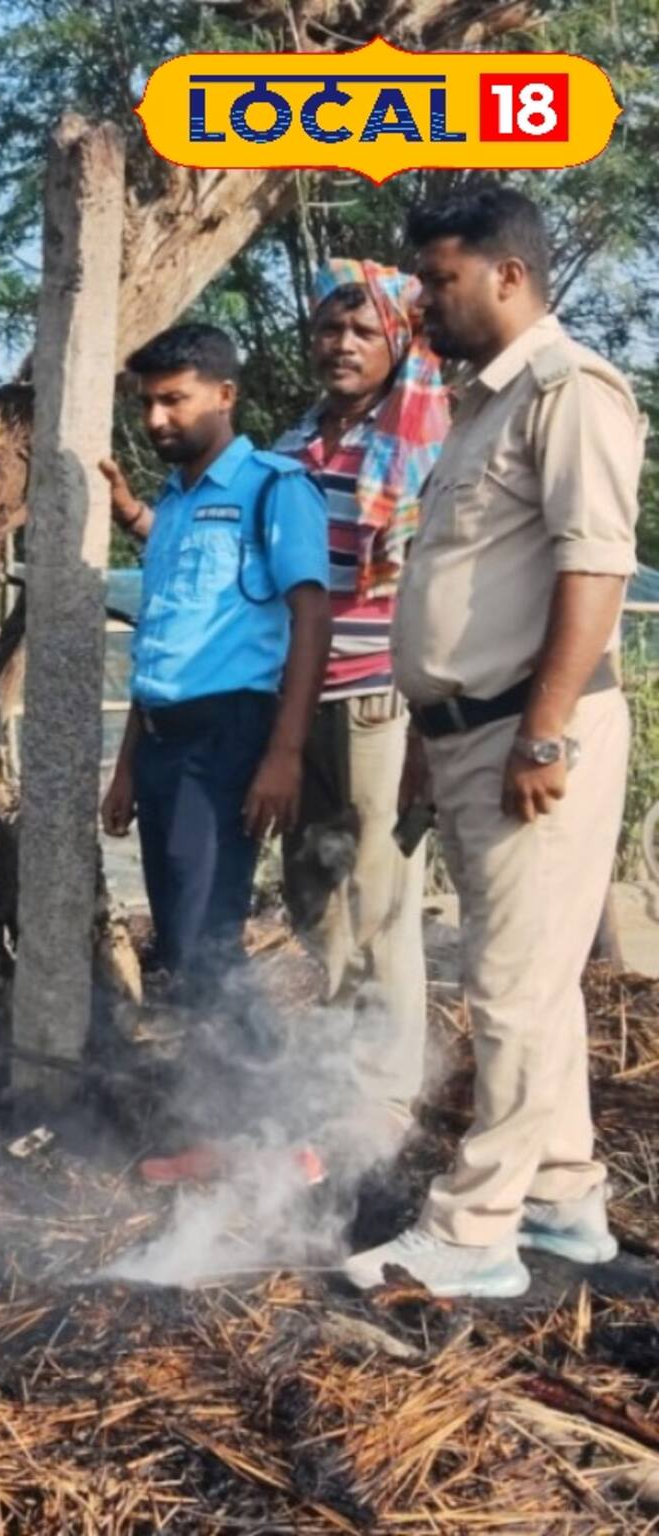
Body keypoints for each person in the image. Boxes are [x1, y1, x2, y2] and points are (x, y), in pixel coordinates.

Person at [344, 188, 647, 1299]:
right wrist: (432, 734)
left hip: (532, 732)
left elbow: (592, 570)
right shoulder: (480, 408)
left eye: (438, 280)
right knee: (534, 981)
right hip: (471, 732)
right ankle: (561, 1198)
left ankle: (471, 1234)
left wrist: (544, 733)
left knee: (507, 989)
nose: (422, 303)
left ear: (506, 276)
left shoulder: (569, 394)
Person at [109, 263, 450, 1148]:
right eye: (330, 331)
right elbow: (233, 574)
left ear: (401, 343)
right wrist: (144, 520)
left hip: (370, 687)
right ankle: (323, 1085)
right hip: (292, 697)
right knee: (314, 897)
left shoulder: (420, 439)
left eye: (364, 332)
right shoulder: (305, 441)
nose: (341, 345)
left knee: (375, 893)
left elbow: (377, 581)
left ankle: (378, 1102)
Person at [98, 323, 332, 1183]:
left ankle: (285, 1141)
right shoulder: (178, 506)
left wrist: (285, 753)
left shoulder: (276, 491)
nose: (158, 417)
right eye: (149, 402)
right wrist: (126, 763)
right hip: (163, 742)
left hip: (231, 737)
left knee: (210, 945)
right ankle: (224, 1134)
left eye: (175, 398)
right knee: (184, 944)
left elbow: (312, 617)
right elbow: (158, 640)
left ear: (224, 396)